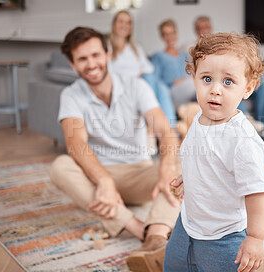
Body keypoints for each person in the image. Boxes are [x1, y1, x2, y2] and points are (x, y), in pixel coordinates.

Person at [49, 27, 180, 272]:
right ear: (72, 64)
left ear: (107, 54)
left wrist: (166, 169)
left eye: (96, 55)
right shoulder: (71, 95)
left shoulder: (136, 86)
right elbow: (76, 144)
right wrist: (104, 181)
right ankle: (139, 229)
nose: (91, 64)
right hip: (98, 181)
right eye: (82, 59)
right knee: (60, 167)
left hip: (140, 175)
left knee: (188, 162)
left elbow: (166, 132)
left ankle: (157, 236)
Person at [164, 33, 264, 271]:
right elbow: (201, 155)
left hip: (224, 236)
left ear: (248, 88)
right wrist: (190, 175)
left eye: (228, 82)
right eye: (207, 78)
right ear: (194, 78)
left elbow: (257, 194)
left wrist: (255, 238)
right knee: (173, 265)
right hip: (188, 223)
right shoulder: (200, 118)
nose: (215, 90)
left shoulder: (242, 141)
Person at [185, 15, 264, 148]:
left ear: (211, 27)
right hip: (202, 88)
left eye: (206, 27)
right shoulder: (192, 51)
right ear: (196, 31)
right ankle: (248, 120)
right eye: (200, 28)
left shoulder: (224, 46)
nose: (204, 30)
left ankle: (263, 128)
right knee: (229, 90)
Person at [109, 10, 177, 128]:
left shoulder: (136, 48)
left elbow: (149, 69)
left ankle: (171, 131)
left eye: (128, 22)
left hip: (141, 84)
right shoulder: (107, 48)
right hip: (122, 86)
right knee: (157, 85)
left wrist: (141, 75)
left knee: (161, 87)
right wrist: (135, 76)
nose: (125, 25)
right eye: (121, 21)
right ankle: (165, 128)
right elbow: (108, 72)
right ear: (114, 24)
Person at [151, 19, 196, 110]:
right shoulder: (158, 56)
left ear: (176, 34)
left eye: (172, 33)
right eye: (167, 34)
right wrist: (173, 81)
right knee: (194, 84)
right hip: (173, 92)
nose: (170, 37)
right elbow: (155, 81)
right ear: (162, 37)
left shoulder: (185, 55)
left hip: (190, 88)